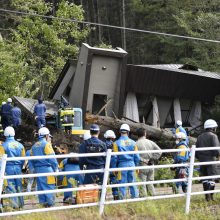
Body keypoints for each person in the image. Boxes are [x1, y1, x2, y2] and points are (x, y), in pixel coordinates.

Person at [30, 127, 58, 207]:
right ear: (46, 136)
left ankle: (42, 205)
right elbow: (52, 158)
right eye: (49, 136)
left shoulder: (34, 146)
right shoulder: (46, 145)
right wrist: (56, 168)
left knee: (41, 188)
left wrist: (33, 170)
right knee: (49, 187)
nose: (49, 138)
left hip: (38, 171)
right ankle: (50, 204)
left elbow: (30, 160)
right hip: (47, 169)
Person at [0, 126, 25, 209]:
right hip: (18, 168)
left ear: (5, 134)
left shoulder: (3, 146)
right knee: (19, 187)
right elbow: (23, 159)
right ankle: (21, 205)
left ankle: (14, 206)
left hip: (8, 168)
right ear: (14, 134)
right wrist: (20, 167)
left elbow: (1, 161)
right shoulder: (20, 145)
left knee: (11, 187)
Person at [112, 124, 140, 199]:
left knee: (122, 184)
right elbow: (137, 157)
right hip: (132, 165)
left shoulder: (116, 143)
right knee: (133, 183)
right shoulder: (134, 143)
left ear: (120, 131)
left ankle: (122, 200)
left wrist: (114, 168)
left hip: (121, 166)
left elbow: (114, 158)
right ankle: (135, 199)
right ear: (128, 132)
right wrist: (137, 166)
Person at [195, 119, 220, 201]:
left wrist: (200, 158)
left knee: (205, 179)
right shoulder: (213, 136)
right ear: (212, 127)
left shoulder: (199, 137)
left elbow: (196, 150)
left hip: (202, 161)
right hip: (211, 160)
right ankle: (211, 197)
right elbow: (217, 150)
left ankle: (206, 197)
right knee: (212, 179)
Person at [135, 128, 162, 197]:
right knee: (150, 182)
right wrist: (153, 158)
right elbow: (160, 151)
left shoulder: (136, 144)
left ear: (137, 135)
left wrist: (143, 160)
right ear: (145, 134)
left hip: (142, 165)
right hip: (151, 164)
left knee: (142, 183)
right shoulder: (150, 142)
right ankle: (153, 196)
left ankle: (144, 197)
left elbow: (135, 155)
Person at [104, 130, 119, 200]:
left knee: (104, 180)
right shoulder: (115, 145)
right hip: (113, 165)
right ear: (113, 137)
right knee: (114, 179)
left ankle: (103, 196)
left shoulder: (103, 144)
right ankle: (116, 195)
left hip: (104, 165)